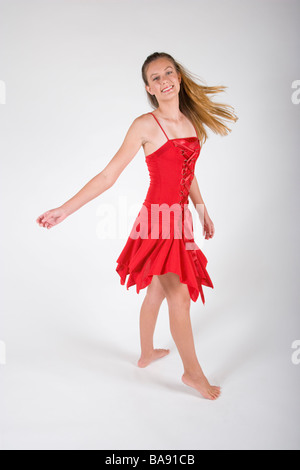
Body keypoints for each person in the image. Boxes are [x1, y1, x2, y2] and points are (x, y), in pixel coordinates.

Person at [36, 52, 238, 400]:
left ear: (179, 77)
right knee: (179, 296)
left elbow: (187, 174)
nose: (164, 80)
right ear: (149, 88)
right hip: (158, 221)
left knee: (158, 290)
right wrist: (64, 210)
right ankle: (193, 374)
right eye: (156, 77)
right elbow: (107, 176)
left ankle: (146, 354)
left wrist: (202, 209)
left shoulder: (189, 121)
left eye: (169, 72)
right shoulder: (145, 125)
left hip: (180, 220)